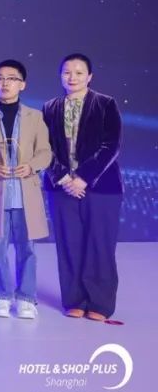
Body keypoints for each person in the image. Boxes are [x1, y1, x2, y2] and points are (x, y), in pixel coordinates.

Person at [42, 53, 124, 321]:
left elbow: (111, 145)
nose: (72, 77)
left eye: (79, 73)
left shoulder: (105, 104)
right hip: (61, 187)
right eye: (67, 72)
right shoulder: (49, 107)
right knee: (69, 244)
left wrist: (83, 178)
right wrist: (65, 179)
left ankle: (100, 303)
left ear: (89, 77)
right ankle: (74, 299)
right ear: (60, 76)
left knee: (100, 244)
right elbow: (43, 149)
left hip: (101, 187)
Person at [0, 59, 51, 320]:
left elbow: (45, 152)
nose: (5, 83)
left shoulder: (35, 116)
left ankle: (27, 297)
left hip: (25, 191)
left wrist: (31, 166)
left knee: (27, 248)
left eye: (11, 78)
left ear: (22, 84)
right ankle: (1, 296)